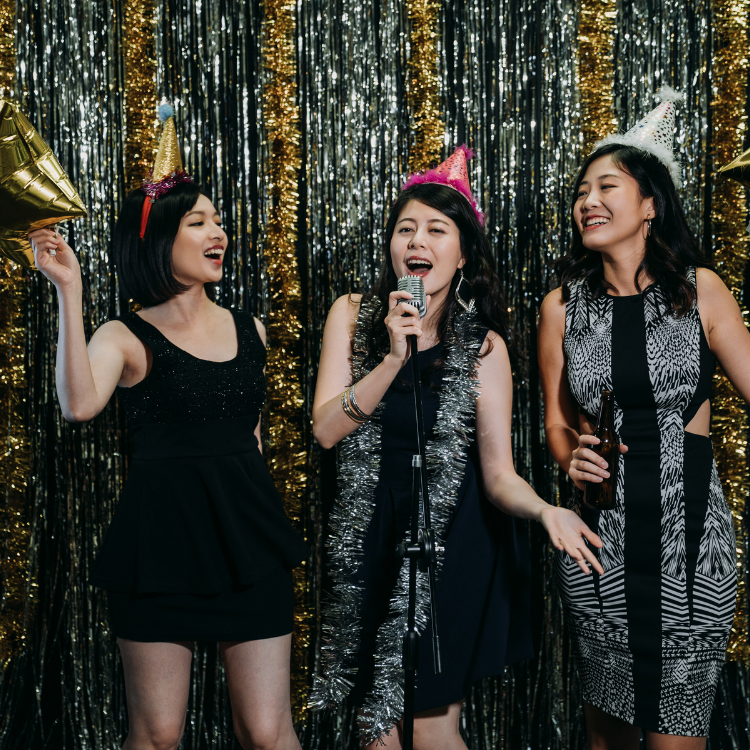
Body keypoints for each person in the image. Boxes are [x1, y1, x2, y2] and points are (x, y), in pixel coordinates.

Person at [28, 106, 309, 750]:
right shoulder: (123, 335)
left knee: (268, 732)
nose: (219, 232)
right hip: (158, 550)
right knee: (156, 736)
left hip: (249, 544)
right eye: (198, 221)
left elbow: (251, 439)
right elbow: (78, 405)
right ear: (158, 238)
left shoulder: (251, 330)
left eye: (218, 220)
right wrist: (69, 291)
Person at [311, 146, 602, 749]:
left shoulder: (484, 347)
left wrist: (546, 510)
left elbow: (498, 474)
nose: (417, 240)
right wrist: (393, 359)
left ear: (463, 253)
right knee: (373, 729)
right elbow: (326, 430)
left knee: (431, 728)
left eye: (436, 230)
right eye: (405, 229)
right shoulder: (352, 315)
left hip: (454, 541)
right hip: (370, 535)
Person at [538, 89, 744, 749]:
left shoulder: (700, 290)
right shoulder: (561, 307)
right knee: (608, 738)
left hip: (692, 544)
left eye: (607, 186)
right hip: (600, 545)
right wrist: (569, 454)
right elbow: (556, 422)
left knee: (676, 736)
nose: (587, 201)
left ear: (650, 204)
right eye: (581, 192)